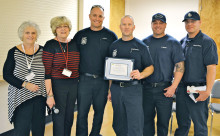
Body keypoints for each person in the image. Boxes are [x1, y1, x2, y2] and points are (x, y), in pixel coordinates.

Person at [73, 5, 117, 136]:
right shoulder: (80, 35)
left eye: (100, 16)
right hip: (84, 80)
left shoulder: (110, 36)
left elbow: (113, 63)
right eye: (94, 15)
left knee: (99, 111)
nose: (97, 18)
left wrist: (111, 87)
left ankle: (95, 133)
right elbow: (72, 57)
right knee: (82, 112)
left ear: (103, 18)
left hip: (102, 81)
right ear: (89, 16)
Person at [108, 15, 154, 136]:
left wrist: (141, 74)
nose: (126, 27)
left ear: (133, 27)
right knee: (118, 123)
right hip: (116, 89)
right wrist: (110, 90)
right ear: (120, 27)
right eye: (124, 24)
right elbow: (110, 70)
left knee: (135, 123)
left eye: (129, 24)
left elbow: (150, 67)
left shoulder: (141, 46)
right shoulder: (114, 46)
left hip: (133, 89)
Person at [174, 11, 218, 136]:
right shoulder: (182, 42)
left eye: (193, 21)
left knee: (200, 127)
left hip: (199, 90)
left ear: (199, 22)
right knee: (182, 125)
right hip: (182, 89)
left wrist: (208, 91)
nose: (190, 24)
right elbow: (178, 66)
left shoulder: (207, 42)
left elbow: (211, 68)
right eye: (187, 22)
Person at [142, 13, 185, 136]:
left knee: (163, 123)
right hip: (146, 89)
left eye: (161, 23)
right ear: (151, 24)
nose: (157, 25)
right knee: (146, 122)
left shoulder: (173, 43)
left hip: (165, 90)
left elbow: (180, 67)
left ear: (165, 25)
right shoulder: (144, 42)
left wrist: (173, 86)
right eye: (155, 23)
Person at [3, 21, 46, 136]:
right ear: (22, 34)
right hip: (20, 99)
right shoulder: (13, 52)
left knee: (39, 131)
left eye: (33, 33)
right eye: (27, 32)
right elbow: (6, 74)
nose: (30, 35)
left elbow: (49, 72)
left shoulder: (43, 51)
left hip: (39, 97)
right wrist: (25, 84)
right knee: (21, 131)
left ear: (37, 35)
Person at [42, 16, 80, 136]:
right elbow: (46, 73)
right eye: (59, 26)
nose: (63, 29)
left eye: (65, 26)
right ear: (54, 29)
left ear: (69, 28)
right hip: (57, 85)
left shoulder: (74, 43)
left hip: (73, 84)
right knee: (59, 117)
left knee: (69, 117)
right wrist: (50, 95)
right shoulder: (50, 45)